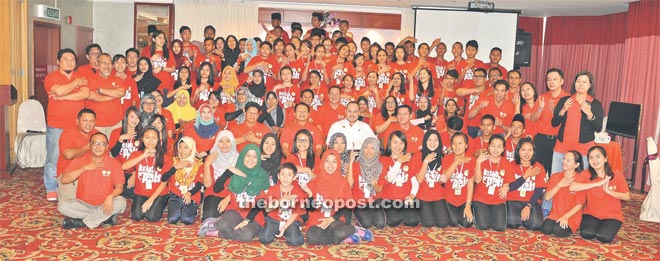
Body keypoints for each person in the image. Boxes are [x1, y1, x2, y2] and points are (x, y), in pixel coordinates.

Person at [44, 48, 90, 201]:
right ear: (58, 61)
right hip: (56, 124)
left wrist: (62, 97)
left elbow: (84, 94)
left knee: (76, 155)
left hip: (77, 126)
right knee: (54, 157)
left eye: (72, 59)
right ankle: (51, 187)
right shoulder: (51, 77)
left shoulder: (81, 76)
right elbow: (59, 90)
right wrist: (75, 84)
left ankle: (72, 184)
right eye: (65, 59)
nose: (69, 62)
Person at [201, 144, 270, 242]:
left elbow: (262, 202)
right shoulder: (237, 170)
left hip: (254, 215)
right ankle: (217, 224)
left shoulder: (262, 177)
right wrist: (228, 172)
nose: (251, 159)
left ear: (258, 158)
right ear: (242, 156)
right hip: (236, 210)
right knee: (223, 225)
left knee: (246, 235)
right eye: (248, 155)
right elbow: (217, 189)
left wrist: (246, 220)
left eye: (254, 156)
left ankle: (217, 233)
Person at [58, 133, 126, 229]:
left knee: (121, 202)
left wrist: (110, 197)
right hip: (83, 204)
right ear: (90, 146)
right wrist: (84, 168)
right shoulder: (81, 161)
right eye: (95, 144)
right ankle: (104, 218)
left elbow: (120, 187)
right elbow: (64, 180)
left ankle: (83, 222)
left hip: (105, 203)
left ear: (107, 147)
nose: (98, 147)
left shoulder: (113, 163)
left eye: (102, 144)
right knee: (62, 206)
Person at [306, 150, 372, 245]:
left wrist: (331, 219)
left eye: (334, 161)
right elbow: (310, 209)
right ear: (322, 162)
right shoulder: (313, 183)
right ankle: (343, 238)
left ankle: (354, 230)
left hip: (336, 219)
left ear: (338, 163)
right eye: (327, 160)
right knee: (311, 237)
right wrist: (309, 195)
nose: (330, 165)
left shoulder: (342, 182)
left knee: (338, 232)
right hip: (318, 220)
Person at [573, 146, 630, 243]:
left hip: (612, 216)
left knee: (604, 237)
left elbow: (626, 197)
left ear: (605, 159)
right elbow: (573, 187)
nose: (594, 160)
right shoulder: (587, 174)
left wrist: (609, 191)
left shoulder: (616, 174)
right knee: (587, 234)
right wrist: (597, 183)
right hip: (591, 214)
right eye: (591, 158)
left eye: (597, 157)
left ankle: (608, 227)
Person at [551, 71, 604, 174]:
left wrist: (590, 114)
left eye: (584, 82)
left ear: (589, 85)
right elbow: (554, 123)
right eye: (578, 81)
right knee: (556, 177)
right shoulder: (565, 100)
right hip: (562, 147)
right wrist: (563, 110)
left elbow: (598, 127)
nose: (580, 84)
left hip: (584, 148)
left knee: (583, 180)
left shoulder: (595, 104)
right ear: (574, 83)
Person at [148, 137, 204, 225]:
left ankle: (193, 209)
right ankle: (177, 208)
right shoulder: (174, 161)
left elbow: (199, 184)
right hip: (176, 195)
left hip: (191, 196)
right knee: (172, 219)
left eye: (186, 148)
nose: (182, 151)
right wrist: (175, 168)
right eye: (180, 147)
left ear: (192, 149)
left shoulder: (198, 164)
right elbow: (164, 178)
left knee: (187, 220)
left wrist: (189, 193)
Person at [122, 126, 171, 222]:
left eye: (154, 138)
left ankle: (163, 203)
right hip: (141, 193)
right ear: (142, 139)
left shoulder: (164, 157)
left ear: (158, 140)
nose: (150, 141)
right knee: (136, 216)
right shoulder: (137, 154)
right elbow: (124, 167)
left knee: (152, 217)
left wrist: (151, 200)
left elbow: (164, 182)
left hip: (159, 194)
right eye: (147, 137)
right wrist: (143, 155)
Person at [469, 135, 515, 231]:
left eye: (499, 147)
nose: (495, 149)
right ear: (488, 147)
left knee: (499, 227)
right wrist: (478, 163)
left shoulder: (507, 164)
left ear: (503, 149)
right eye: (493, 146)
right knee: (483, 226)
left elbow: (507, 182)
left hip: (497, 200)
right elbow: (477, 180)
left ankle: (488, 215)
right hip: (481, 199)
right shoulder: (481, 160)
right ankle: (479, 214)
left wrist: (506, 187)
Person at [56, 109, 100, 205]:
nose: (88, 124)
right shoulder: (68, 133)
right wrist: (88, 147)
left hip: (91, 176)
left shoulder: (97, 135)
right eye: (85, 120)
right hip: (70, 177)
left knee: (102, 202)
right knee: (67, 205)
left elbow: (104, 157)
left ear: (95, 123)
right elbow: (68, 155)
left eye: (92, 121)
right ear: (77, 121)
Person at [257, 163, 306, 246]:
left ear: (294, 177)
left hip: (290, 221)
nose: (285, 178)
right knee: (264, 239)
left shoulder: (298, 192)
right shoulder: (273, 189)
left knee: (295, 242)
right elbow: (267, 209)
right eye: (283, 174)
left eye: (289, 175)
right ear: (278, 176)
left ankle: (291, 230)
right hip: (274, 220)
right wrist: (281, 200)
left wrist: (284, 227)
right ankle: (276, 230)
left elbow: (295, 214)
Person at [379, 131, 421, 227]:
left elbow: (415, 182)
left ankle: (404, 212)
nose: (398, 146)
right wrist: (399, 162)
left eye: (401, 143)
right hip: (389, 199)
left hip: (405, 199)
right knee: (394, 221)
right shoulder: (383, 160)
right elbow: (389, 178)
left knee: (413, 221)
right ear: (389, 143)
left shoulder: (409, 161)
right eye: (395, 142)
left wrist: (412, 195)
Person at [535, 68, 569, 180]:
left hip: (559, 141)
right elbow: (534, 118)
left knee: (556, 173)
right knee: (539, 171)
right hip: (541, 139)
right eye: (548, 79)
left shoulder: (568, 99)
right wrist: (540, 109)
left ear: (562, 81)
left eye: (555, 79)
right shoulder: (542, 97)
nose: (551, 82)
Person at [542, 150, 586, 237]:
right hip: (555, 214)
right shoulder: (555, 177)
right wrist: (559, 185)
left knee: (557, 230)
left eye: (568, 160)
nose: (564, 162)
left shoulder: (580, 179)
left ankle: (575, 226)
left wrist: (566, 217)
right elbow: (547, 197)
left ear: (576, 165)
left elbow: (579, 205)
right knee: (546, 229)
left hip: (571, 216)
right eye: (564, 159)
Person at [506, 138, 546, 230]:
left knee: (536, 224)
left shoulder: (538, 167)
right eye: (523, 150)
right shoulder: (511, 165)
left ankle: (525, 219)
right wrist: (526, 176)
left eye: (530, 150)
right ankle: (520, 219)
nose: (526, 153)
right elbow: (510, 187)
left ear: (534, 152)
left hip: (531, 201)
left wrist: (528, 205)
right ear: (518, 150)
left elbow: (539, 190)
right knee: (512, 222)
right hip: (513, 199)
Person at [347, 137, 386, 229]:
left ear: (376, 150)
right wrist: (351, 162)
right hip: (359, 202)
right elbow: (350, 184)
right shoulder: (357, 164)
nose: (369, 151)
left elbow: (379, 189)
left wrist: (374, 184)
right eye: (366, 147)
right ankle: (356, 213)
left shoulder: (379, 166)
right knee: (366, 224)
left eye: (372, 148)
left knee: (381, 224)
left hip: (373, 200)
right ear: (362, 148)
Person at [415, 130, 449, 228]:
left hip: (438, 195)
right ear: (425, 141)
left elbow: (444, 179)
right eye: (429, 140)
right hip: (422, 195)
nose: (432, 143)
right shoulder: (418, 156)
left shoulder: (444, 157)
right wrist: (425, 162)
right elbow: (419, 180)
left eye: (436, 140)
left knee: (443, 223)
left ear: (440, 143)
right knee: (428, 223)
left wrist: (442, 179)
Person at [201, 130, 239, 220]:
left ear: (232, 143)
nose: (224, 144)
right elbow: (207, 185)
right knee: (209, 216)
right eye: (221, 141)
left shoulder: (239, 159)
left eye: (228, 141)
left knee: (229, 220)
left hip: (231, 195)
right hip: (214, 193)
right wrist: (207, 165)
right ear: (217, 143)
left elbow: (241, 186)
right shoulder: (212, 157)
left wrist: (228, 199)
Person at [86, 53, 126, 137]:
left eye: (110, 63)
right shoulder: (89, 79)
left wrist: (101, 90)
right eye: (104, 63)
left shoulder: (118, 79)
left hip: (116, 123)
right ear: (97, 64)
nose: (107, 66)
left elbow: (121, 93)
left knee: (115, 149)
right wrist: (113, 95)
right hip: (97, 124)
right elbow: (92, 96)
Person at [441, 132, 475, 228]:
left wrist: (468, 205)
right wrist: (457, 161)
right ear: (451, 146)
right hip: (449, 199)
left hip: (464, 200)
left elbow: (470, 184)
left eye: (460, 143)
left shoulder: (471, 160)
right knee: (453, 222)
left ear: (466, 145)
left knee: (466, 223)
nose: (457, 146)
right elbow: (445, 177)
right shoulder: (447, 159)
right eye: (454, 144)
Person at [457, 68, 489, 138]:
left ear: (486, 79)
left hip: (480, 126)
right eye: (475, 76)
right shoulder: (470, 89)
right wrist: (474, 90)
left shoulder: (489, 92)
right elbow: (458, 92)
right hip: (466, 124)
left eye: (480, 76)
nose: (477, 78)